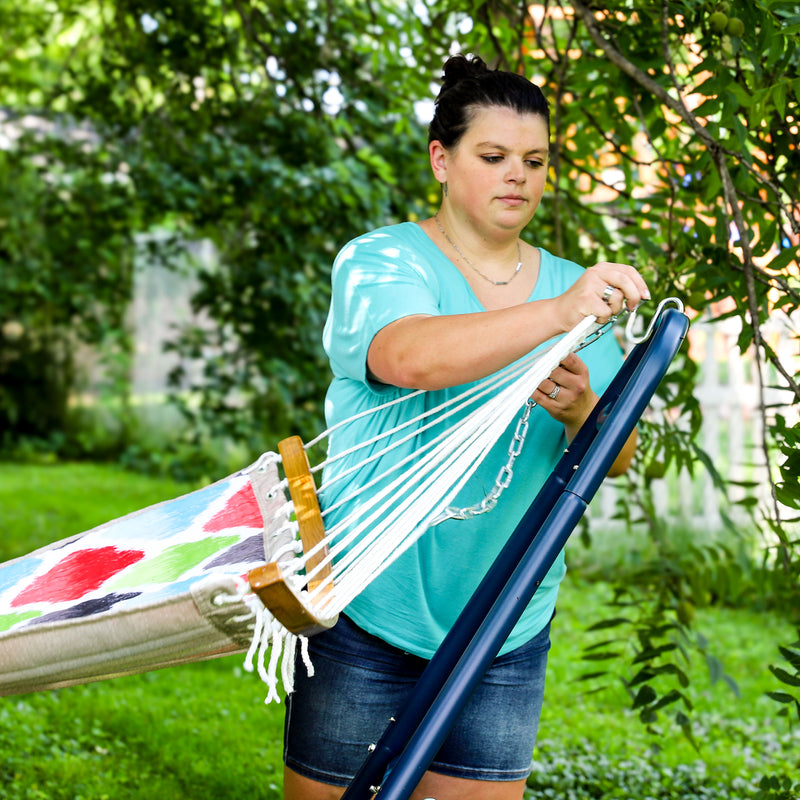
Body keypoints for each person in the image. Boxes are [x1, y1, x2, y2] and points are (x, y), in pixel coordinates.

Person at [282, 54, 650, 800]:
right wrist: (559, 315)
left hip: (505, 624)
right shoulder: (383, 260)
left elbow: (618, 456)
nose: (518, 175)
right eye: (493, 157)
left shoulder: (568, 284)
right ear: (442, 161)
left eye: (535, 160)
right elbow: (407, 356)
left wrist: (581, 410)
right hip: (365, 608)